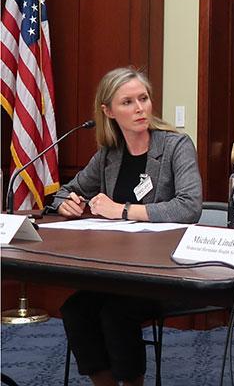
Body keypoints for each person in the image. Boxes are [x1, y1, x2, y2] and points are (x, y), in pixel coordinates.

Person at [52, 67, 202, 386]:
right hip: (115, 269)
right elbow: (68, 190)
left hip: (161, 271)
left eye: (143, 99)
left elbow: (189, 206)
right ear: (108, 111)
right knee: (77, 310)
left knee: (116, 314)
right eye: (128, 102)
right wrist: (65, 203)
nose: (139, 109)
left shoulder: (176, 145)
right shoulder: (110, 153)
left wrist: (123, 210)